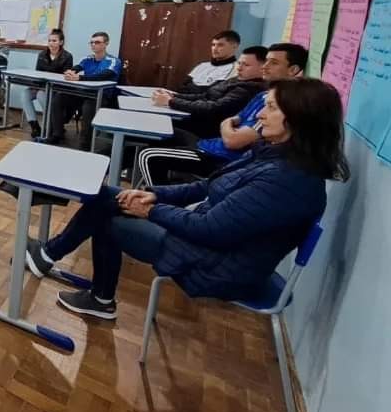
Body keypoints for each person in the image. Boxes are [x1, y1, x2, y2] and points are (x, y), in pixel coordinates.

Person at [23, 78, 348, 320]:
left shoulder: (288, 181)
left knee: (107, 218)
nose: (260, 114)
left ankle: (96, 295)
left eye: (271, 107)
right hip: (209, 243)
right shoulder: (272, 155)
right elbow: (206, 187)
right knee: (107, 195)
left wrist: (150, 211)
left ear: (299, 119)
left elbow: (210, 229)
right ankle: (54, 258)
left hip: (217, 264)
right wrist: (152, 194)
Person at [137, 43, 308, 186]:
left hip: (224, 157)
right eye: (266, 62)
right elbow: (233, 117)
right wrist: (173, 97)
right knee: (160, 134)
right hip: (215, 144)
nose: (265, 66)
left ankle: (155, 203)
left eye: (273, 63)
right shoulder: (262, 94)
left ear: (293, 69)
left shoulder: (280, 102)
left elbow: (234, 139)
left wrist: (227, 126)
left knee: (149, 155)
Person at [150, 46, 267, 139]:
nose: (239, 68)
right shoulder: (237, 80)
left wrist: (171, 101)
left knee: (158, 124)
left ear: (263, 67)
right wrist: (174, 95)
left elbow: (212, 108)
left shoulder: (249, 89)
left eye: (246, 65)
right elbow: (205, 95)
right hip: (198, 119)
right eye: (239, 63)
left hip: (206, 129)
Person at [44, 31, 121, 147]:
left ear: (106, 44)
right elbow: (77, 67)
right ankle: (56, 134)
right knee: (59, 98)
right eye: (92, 42)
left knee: (88, 107)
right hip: (84, 92)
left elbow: (103, 75)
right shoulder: (88, 59)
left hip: (102, 96)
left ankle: (85, 144)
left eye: (97, 42)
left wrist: (80, 78)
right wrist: (71, 72)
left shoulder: (113, 61)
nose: (94, 45)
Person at [20, 29, 73, 136]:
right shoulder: (42, 54)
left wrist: (43, 87)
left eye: (54, 41)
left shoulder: (67, 56)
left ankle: (54, 125)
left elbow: (64, 77)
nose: (51, 43)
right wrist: (35, 85)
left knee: (40, 95)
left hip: (56, 89)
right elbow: (37, 73)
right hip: (41, 86)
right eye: (49, 41)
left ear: (61, 42)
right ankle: (34, 126)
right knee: (25, 94)